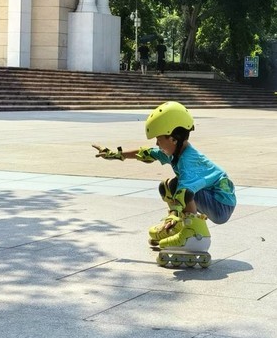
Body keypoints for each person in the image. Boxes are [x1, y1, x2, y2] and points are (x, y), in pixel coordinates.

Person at [92, 101, 237, 253]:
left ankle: (194, 235)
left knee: (180, 189)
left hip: (221, 205)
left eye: (159, 139)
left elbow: (184, 194)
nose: (157, 143)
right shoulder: (177, 151)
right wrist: (115, 154)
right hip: (213, 198)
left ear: (173, 139)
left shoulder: (188, 162)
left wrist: (173, 216)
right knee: (167, 187)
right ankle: (182, 226)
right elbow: (147, 153)